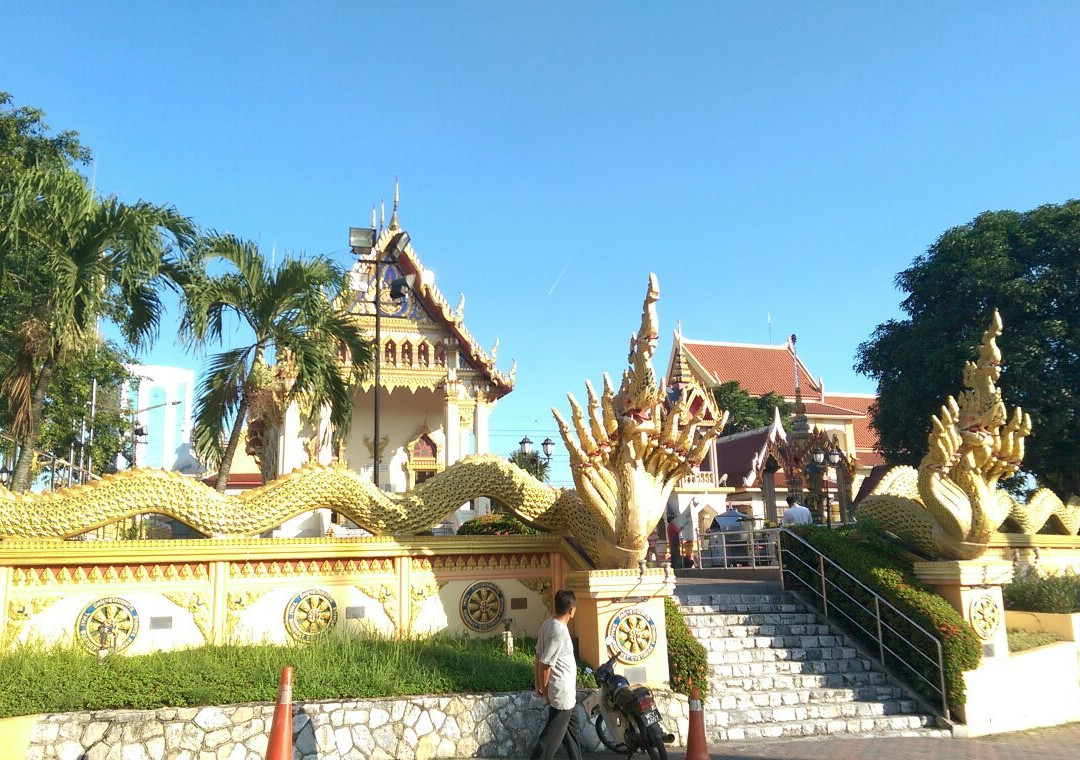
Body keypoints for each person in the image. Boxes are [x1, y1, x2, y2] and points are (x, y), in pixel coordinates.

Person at [531, 589, 584, 760]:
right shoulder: (559, 632)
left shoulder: (548, 623)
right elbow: (545, 664)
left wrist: (538, 684)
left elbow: (538, 655)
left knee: (572, 735)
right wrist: (545, 692)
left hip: (568, 695)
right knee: (548, 743)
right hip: (562, 695)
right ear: (571, 610)